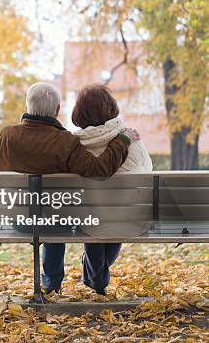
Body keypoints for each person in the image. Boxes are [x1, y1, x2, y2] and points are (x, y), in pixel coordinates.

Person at [0, 82, 141, 296]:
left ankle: (51, 284)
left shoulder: (4, 137)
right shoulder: (65, 142)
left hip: (16, 218)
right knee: (56, 214)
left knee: (48, 214)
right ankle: (54, 281)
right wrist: (122, 141)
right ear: (57, 110)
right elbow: (99, 169)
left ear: (28, 106)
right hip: (56, 223)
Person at [71, 83, 153, 294]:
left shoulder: (76, 144)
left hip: (92, 218)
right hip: (130, 217)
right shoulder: (131, 138)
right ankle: (97, 279)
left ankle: (97, 279)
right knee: (115, 214)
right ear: (111, 107)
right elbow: (147, 169)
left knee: (96, 214)